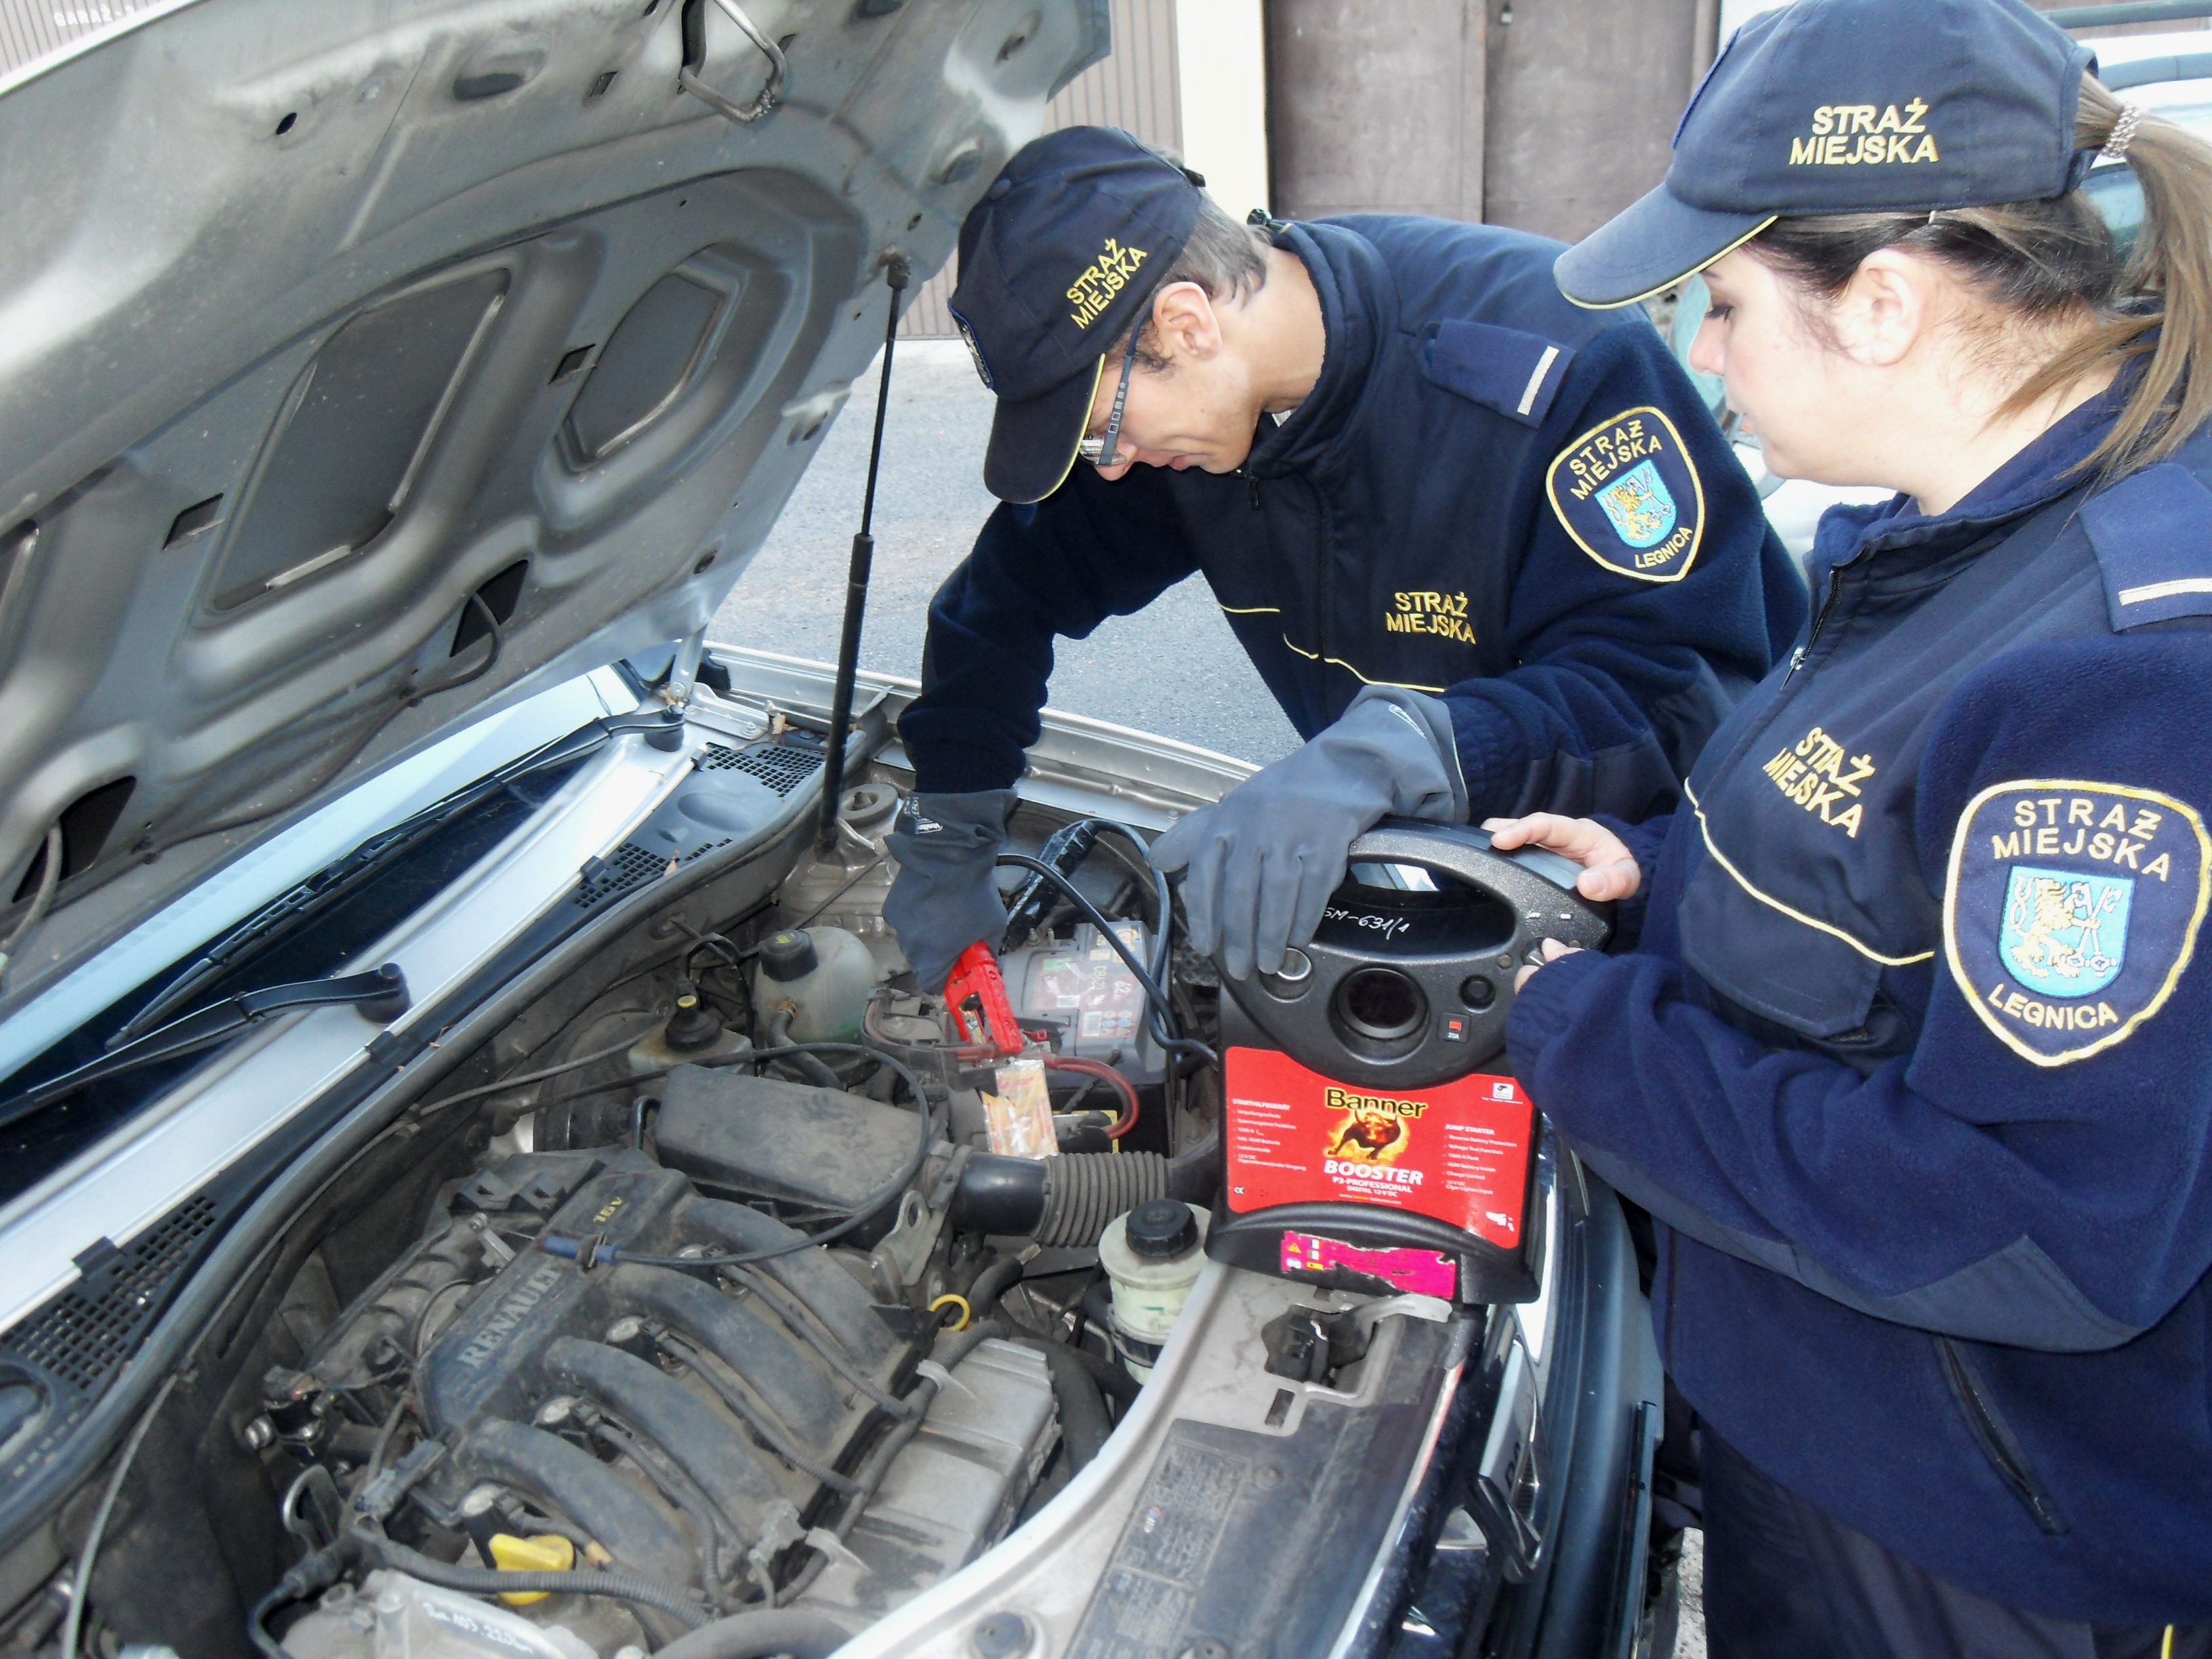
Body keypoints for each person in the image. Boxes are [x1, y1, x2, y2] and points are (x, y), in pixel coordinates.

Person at [1494, 0, 2212, 1652]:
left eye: (1725, 304)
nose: (1708, 354)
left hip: (1979, 1535)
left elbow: (2041, 1226)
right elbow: (1889, 894)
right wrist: (1653, 890)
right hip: (1834, 1420)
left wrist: (1579, 1032)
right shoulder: (1948, 535)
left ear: (1881, 303)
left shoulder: (2124, 675)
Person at [882, 125, 1804, 991]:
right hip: (1430, 879)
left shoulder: (1552, 369)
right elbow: (1005, 598)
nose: (1112, 464)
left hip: (1671, 891)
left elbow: (1679, 694)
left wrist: (1407, 748)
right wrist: (951, 821)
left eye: (1104, 428)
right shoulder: (1188, 422)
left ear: (1187, 322)